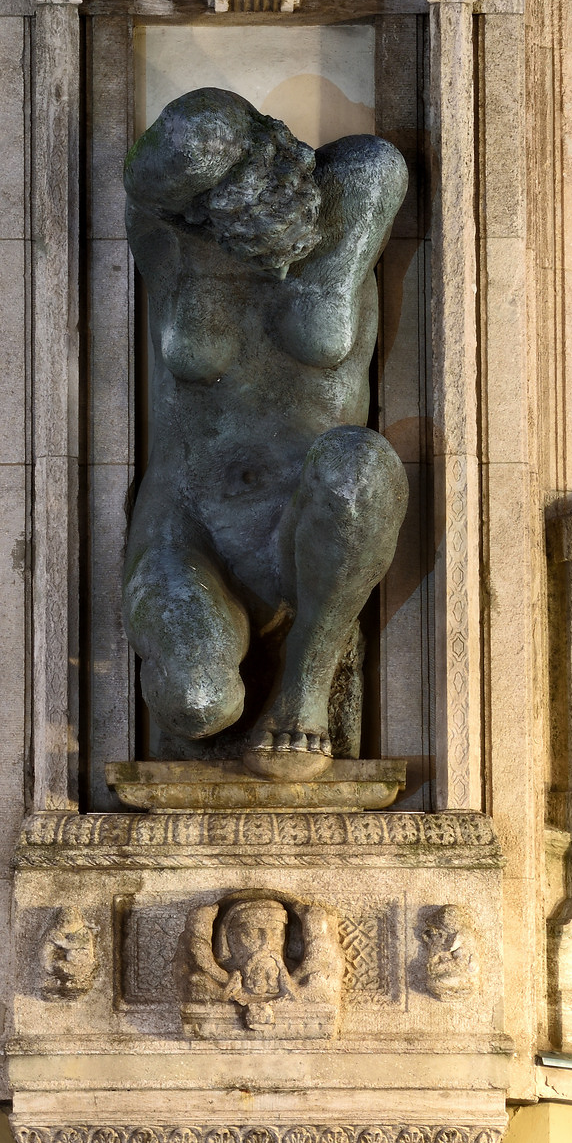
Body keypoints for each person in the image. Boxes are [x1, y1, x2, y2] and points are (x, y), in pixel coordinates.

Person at [122, 87, 408, 779]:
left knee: (358, 465)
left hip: (306, 523)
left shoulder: (353, 190)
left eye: (249, 199)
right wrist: (222, 159)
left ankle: (306, 682)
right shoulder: (166, 234)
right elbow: (170, 152)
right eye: (214, 204)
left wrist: (262, 166)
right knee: (198, 705)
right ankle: (211, 660)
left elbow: (378, 163)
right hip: (190, 525)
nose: (233, 221)